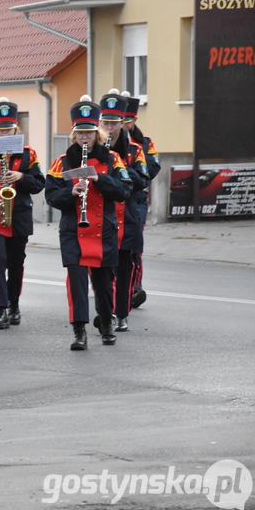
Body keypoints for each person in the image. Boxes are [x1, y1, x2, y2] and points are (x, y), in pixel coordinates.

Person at [44, 96, 132, 350]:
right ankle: (79, 330)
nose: (85, 138)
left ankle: (106, 323)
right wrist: (70, 193)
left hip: (103, 229)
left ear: (97, 134)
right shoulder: (63, 161)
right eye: (80, 133)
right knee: (77, 280)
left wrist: (99, 180)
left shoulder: (112, 159)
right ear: (74, 135)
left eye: (90, 133)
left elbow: (125, 190)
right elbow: (50, 195)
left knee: (104, 283)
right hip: (73, 229)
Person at [0, 98, 45, 328]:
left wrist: (22, 177)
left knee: (16, 262)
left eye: (8, 129)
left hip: (18, 213)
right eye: (0, 129)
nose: (4, 133)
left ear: (15, 129)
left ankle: (14, 304)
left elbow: (40, 183)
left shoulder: (28, 154)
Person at [98, 90, 150, 333]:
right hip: (101, 216)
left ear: (122, 123)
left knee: (124, 267)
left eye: (114, 123)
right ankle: (105, 312)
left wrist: (119, 173)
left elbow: (143, 177)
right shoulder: (92, 147)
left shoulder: (135, 149)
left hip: (127, 216)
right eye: (105, 123)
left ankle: (122, 314)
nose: (109, 128)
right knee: (101, 270)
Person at [122, 91, 159, 309]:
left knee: (135, 246)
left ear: (134, 120)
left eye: (125, 121)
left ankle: (135, 288)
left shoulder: (145, 143)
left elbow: (152, 169)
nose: (121, 125)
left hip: (136, 199)